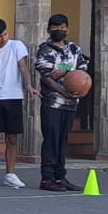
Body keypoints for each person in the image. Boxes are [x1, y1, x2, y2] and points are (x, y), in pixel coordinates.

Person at [0, 17, 37, 188]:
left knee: (12, 137)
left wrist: (29, 85)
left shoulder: (16, 46)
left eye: (5, 34)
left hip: (14, 96)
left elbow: (23, 67)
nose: (3, 38)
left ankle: (10, 174)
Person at [34, 13, 91, 192]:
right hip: (52, 103)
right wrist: (65, 89)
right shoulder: (45, 50)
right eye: (55, 27)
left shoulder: (74, 49)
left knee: (62, 141)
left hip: (71, 104)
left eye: (63, 27)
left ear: (67, 28)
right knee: (51, 139)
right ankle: (47, 178)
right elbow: (47, 78)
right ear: (49, 29)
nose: (60, 30)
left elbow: (81, 72)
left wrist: (74, 89)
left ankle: (60, 177)